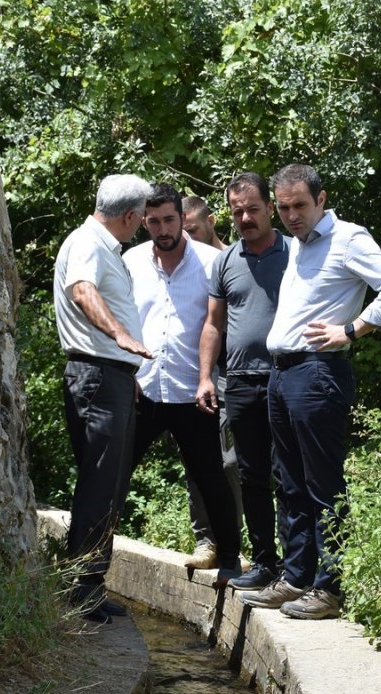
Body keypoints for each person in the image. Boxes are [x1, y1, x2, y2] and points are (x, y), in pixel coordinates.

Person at [240, 164, 381, 619]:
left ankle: (330, 589)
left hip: (317, 374)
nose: (292, 215)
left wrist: (352, 330)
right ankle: (296, 578)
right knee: (290, 482)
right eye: (283, 207)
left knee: (323, 486)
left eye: (300, 205)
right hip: (283, 375)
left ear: (321, 199)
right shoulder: (299, 244)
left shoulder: (349, 238)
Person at [123, 183, 244, 585]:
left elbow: (219, 322)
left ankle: (229, 560)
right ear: (144, 222)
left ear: (182, 218)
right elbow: (119, 319)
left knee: (212, 476)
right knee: (115, 476)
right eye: (153, 221)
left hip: (194, 388)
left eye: (169, 219)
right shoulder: (130, 261)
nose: (162, 228)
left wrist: (209, 377)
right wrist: (128, 371)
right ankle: (89, 567)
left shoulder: (213, 261)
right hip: (143, 388)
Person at [54, 174, 154, 623]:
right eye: (142, 219)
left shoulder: (98, 244)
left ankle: (91, 583)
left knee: (110, 483)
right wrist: (120, 336)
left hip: (109, 374)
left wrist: (123, 364)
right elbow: (82, 291)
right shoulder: (88, 244)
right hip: (97, 374)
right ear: (131, 216)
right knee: (100, 481)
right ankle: (81, 585)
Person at [196, 172, 289, 591]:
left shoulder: (295, 252)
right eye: (238, 211)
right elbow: (214, 325)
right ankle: (265, 562)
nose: (246, 218)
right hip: (240, 383)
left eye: (253, 209)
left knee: (290, 474)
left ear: (270, 207)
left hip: (285, 376)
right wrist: (205, 377)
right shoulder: (226, 261)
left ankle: (298, 563)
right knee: (251, 477)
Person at [182, 195, 242, 570]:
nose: (185, 238)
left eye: (192, 230)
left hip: (238, 373)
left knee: (233, 462)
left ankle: (235, 540)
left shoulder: (238, 257)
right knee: (198, 459)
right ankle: (207, 541)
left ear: (211, 220)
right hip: (197, 374)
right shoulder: (180, 263)